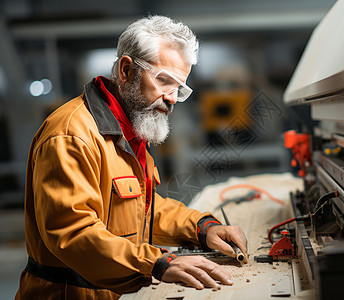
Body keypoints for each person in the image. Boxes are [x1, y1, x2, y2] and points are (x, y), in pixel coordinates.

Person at [15, 15, 248, 300]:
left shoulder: (128, 129)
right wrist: (158, 263)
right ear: (126, 70)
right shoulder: (71, 135)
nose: (172, 98)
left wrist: (202, 227)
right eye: (164, 81)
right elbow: (74, 235)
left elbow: (141, 211)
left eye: (179, 88)